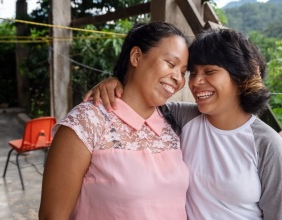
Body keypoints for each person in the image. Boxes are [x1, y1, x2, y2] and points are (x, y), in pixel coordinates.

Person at [85, 28, 282, 219]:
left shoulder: (267, 144)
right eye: (193, 73)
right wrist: (115, 83)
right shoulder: (182, 117)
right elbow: (139, 98)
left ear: (240, 77)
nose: (195, 82)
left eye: (209, 72)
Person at [39, 22, 190, 219]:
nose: (178, 78)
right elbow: (53, 215)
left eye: (184, 71)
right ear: (136, 57)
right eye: (170, 64)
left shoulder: (173, 124)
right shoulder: (87, 122)